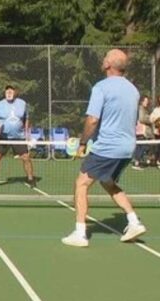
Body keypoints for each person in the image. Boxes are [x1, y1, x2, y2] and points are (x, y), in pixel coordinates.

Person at [62, 49, 147, 247]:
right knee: (108, 182)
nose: (102, 60)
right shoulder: (133, 90)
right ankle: (134, 221)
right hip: (127, 148)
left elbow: (92, 120)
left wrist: (83, 143)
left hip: (107, 147)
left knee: (81, 184)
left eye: (105, 57)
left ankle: (80, 233)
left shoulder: (101, 87)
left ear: (109, 64)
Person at [0, 85, 36, 188]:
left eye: (11, 91)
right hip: (3, 137)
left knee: (26, 158)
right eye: (7, 91)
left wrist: (27, 133)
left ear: (15, 93)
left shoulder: (22, 104)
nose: (9, 93)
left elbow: (27, 118)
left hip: (19, 137)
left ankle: (31, 179)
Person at [132, 95, 153, 170]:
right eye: (146, 101)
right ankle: (136, 163)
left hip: (142, 131)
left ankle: (138, 162)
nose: (147, 103)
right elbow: (142, 119)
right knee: (141, 147)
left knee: (142, 147)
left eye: (147, 101)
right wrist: (150, 119)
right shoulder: (141, 109)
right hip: (141, 131)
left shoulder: (144, 109)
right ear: (142, 101)